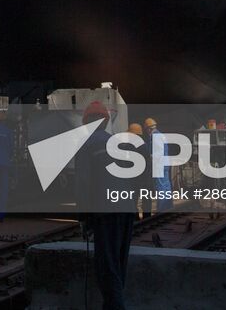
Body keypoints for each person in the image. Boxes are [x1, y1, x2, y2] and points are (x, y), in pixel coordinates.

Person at [75, 101, 135, 310]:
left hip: (106, 212)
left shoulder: (86, 145)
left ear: (86, 123)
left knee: (107, 267)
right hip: (126, 210)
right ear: (106, 121)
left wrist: (83, 218)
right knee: (118, 265)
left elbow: (83, 184)